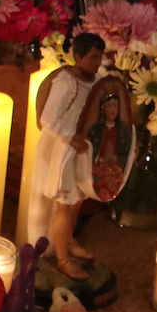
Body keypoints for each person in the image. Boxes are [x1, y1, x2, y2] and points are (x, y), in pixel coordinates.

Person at [29, 32, 107, 280]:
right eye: (93, 57)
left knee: (79, 198)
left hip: (83, 149)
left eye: (100, 57)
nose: (97, 62)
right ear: (78, 56)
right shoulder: (66, 82)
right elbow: (49, 118)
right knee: (66, 202)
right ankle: (62, 258)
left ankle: (69, 240)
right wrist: (70, 138)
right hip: (64, 150)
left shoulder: (97, 82)